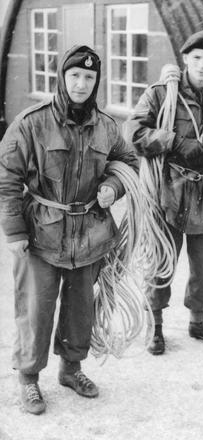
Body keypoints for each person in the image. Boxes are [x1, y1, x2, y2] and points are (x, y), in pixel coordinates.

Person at [0, 45, 138, 414]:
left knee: (80, 311)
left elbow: (127, 160)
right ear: (62, 77)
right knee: (36, 310)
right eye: (74, 75)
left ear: (96, 82)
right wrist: (14, 232)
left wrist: (113, 185)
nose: (81, 83)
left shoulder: (107, 125)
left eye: (89, 77)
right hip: (41, 235)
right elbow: (7, 177)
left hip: (90, 233)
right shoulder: (32, 122)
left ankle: (71, 369)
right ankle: (29, 378)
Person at [124, 30, 203, 355]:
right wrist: (174, 142)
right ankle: (156, 327)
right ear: (185, 59)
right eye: (197, 58)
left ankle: (198, 321)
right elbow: (133, 131)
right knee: (161, 265)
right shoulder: (163, 95)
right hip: (167, 194)